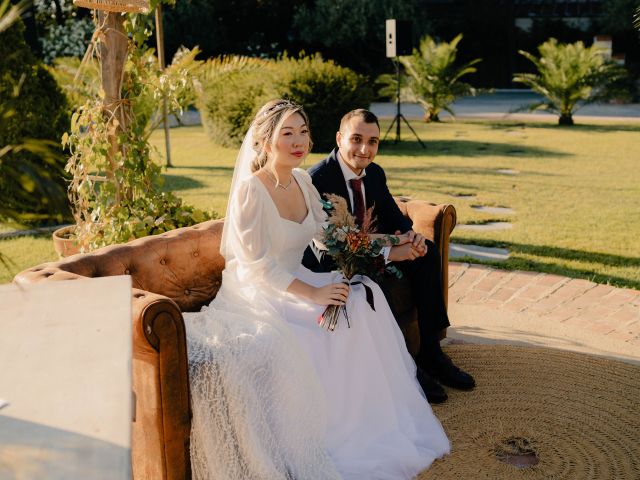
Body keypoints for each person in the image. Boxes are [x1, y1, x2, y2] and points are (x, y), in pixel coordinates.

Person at [183, 99, 450, 480]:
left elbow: (335, 239)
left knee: (361, 301)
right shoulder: (250, 192)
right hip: (260, 291)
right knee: (330, 319)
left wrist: (394, 249)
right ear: (265, 140)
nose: (298, 141)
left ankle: (367, 422)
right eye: (287, 133)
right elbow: (257, 267)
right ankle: (331, 434)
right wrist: (313, 295)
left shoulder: (304, 182)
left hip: (299, 277)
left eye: (303, 132)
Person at [302, 109, 476, 404]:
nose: (364, 149)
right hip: (334, 261)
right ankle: (407, 367)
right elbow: (339, 245)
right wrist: (393, 251)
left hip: (372, 249)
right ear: (339, 138)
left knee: (428, 253)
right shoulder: (317, 179)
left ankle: (431, 353)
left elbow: (395, 217)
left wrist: (413, 238)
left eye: (373, 142)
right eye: (356, 139)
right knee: (372, 281)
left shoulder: (375, 173)